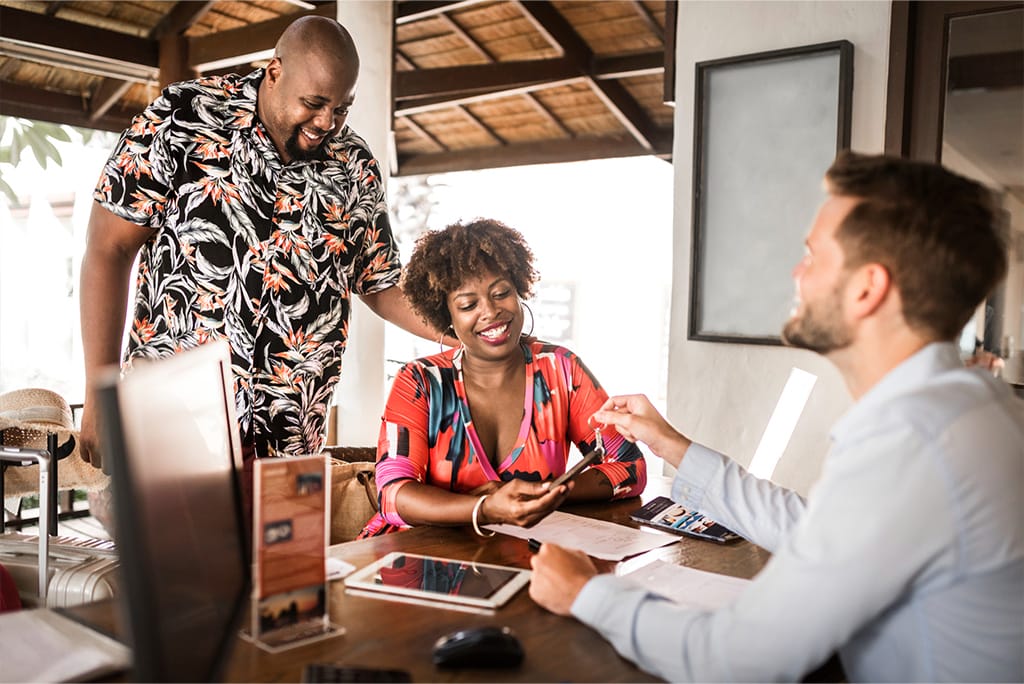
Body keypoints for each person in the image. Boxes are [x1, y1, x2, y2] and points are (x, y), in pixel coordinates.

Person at [529, 152, 1024, 682]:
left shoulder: (914, 440)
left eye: (812, 256)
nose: (796, 272)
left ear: (866, 289)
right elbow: (815, 529)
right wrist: (668, 442)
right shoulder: (966, 409)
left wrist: (587, 593)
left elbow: (739, 660)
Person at [80, 16, 440, 469]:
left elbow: (380, 283)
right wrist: (99, 392)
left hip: (290, 441)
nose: (327, 121)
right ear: (274, 72)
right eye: (314, 103)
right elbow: (108, 249)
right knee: (171, 543)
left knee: (287, 544)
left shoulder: (355, 167)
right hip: (175, 425)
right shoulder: (184, 117)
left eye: (342, 108)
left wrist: (466, 330)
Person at [358, 219, 646, 538]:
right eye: (468, 305)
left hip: (516, 555)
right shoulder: (419, 382)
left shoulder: (561, 369)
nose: (491, 311)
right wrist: (485, 508)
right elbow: (393, 496)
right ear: (446, 317)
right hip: (414, 556)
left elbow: (630, 468)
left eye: (501, 293)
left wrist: (543, 494)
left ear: (519, 289)